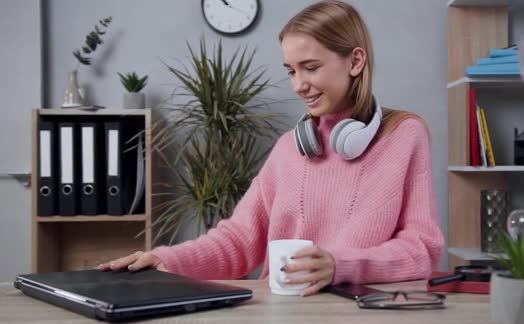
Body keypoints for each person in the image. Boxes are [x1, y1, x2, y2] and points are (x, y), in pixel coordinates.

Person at [98, 0, 444, 297]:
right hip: (284, 315)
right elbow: (238, 241)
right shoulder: (289, 150)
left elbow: (422, 250)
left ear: (355, 62)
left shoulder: (403, 135)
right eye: (291, 71)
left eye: (310, 68)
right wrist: (168, 261)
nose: (298, 85)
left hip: (361, 319)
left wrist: (341, 265)